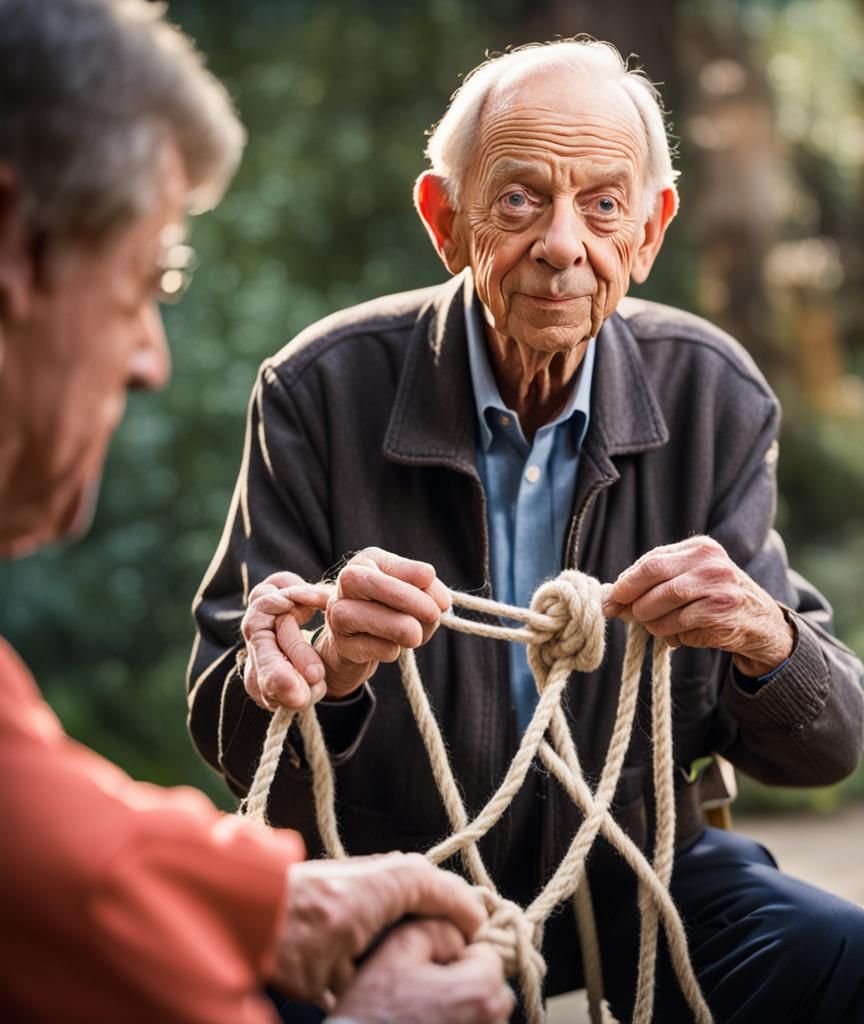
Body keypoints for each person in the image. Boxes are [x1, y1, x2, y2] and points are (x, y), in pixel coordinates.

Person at [189, 39, 864, 1022]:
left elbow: (827, 746)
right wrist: (328, 663)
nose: (564, 244)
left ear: (650, 232)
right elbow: (226, 725)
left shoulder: (712, 393)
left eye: (604, 203)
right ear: (444, 221)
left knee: (833, 953)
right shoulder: (319, 390)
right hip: (392, 879)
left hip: (635, 869)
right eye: (520, 198)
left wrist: (759, 635)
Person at [0, 2, 515, 1022]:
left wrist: (265, 899)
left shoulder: (708, 388)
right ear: (13, 249)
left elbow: (40, 815)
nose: (152, 358)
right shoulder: (319, 388)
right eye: (152, 278)